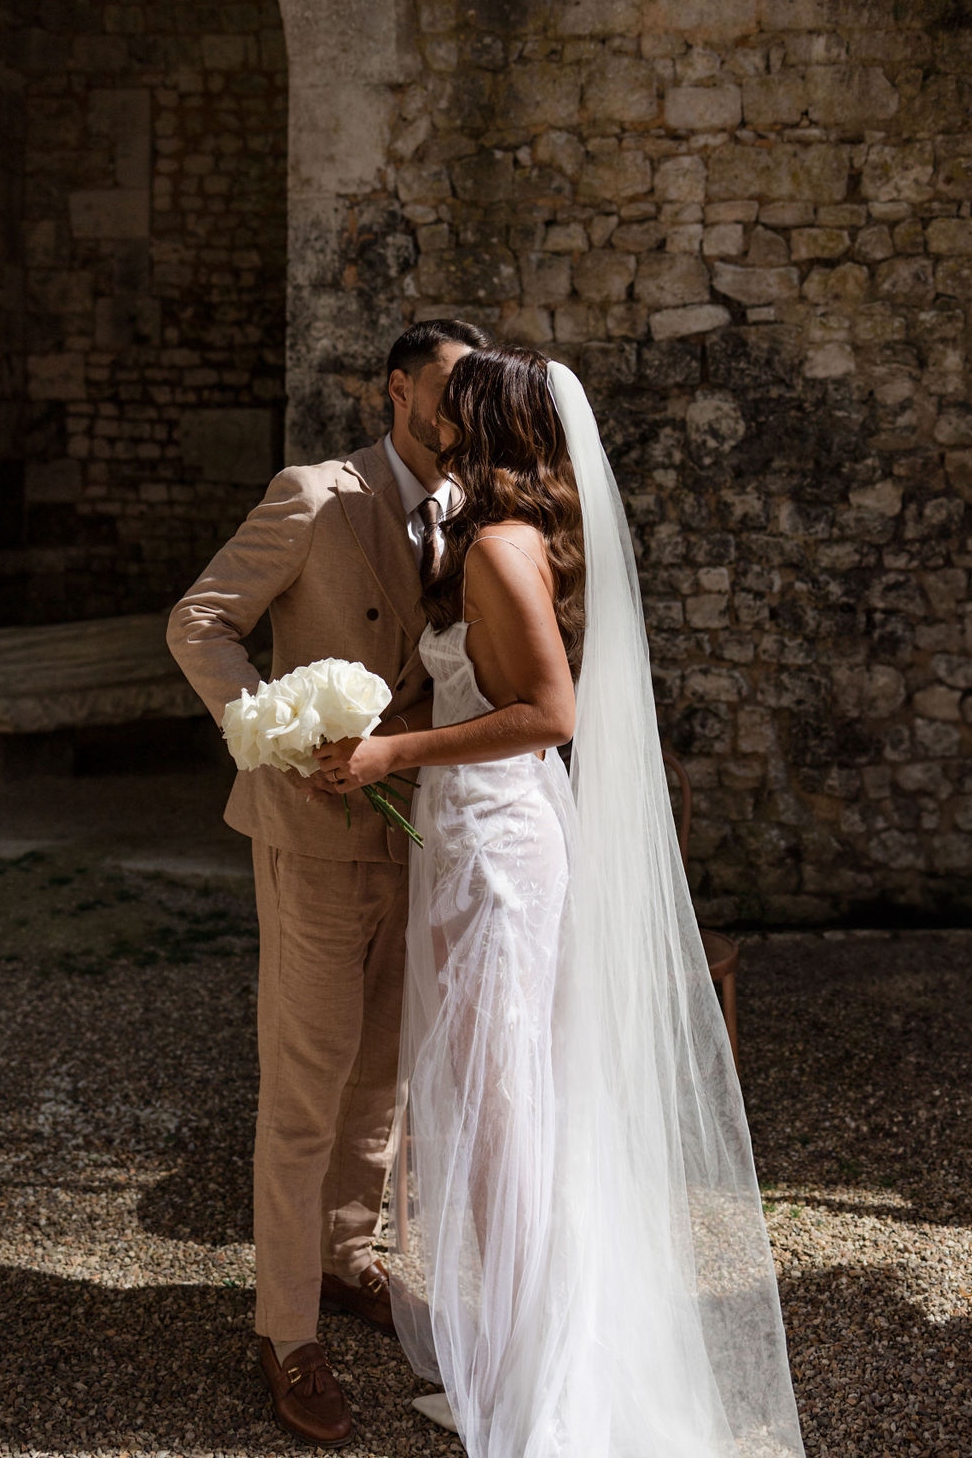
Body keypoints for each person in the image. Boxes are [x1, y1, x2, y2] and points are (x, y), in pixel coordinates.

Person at [317, 347, 807, 1458]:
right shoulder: (503, 537)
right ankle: (520, 1336)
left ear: (484, 426)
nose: (435, 414)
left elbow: (550, 712)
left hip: (497, 849)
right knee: (506, 1108)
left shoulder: (496, 544)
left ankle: (550, 1371)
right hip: (478, 835)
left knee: (502, 1119)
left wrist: (394, 749)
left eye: (454, 405)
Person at [166, 318, 492, 1448]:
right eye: (448, 392)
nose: (461, 416)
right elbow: (200, 619)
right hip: (311, 831)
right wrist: (264, 727)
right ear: (394, 390)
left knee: (384, 1072)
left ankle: (349, 1258)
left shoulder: (470, 510)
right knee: (306, 1083)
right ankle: (286, 1330)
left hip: (419, 831)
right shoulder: (315, 493)